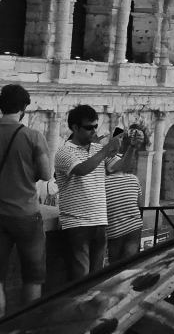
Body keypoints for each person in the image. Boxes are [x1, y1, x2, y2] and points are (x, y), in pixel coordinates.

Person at [0, 85, 52, 319]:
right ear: (23, 108)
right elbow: (47, 175)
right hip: (27, 214)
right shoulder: (33, 136)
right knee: (33, 275)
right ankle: (26, 325)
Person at [55, 105, 121, 280]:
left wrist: (132, 148)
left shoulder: (97, 149)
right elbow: (82, 169)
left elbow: (121, 167)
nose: (93, 131)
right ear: (75, 128)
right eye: (88, 127)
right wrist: (106, 149)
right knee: (80, 278)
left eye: (95, 127)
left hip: (99, 221)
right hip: (77, 223)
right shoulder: (64, 151)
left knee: (97, 278)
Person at [105, 134, 143, 263]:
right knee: (130, 261)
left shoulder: (103, 184)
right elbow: (140, 203)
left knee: (114, 263)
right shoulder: (133, 179)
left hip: (114, 228)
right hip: (134, 226)